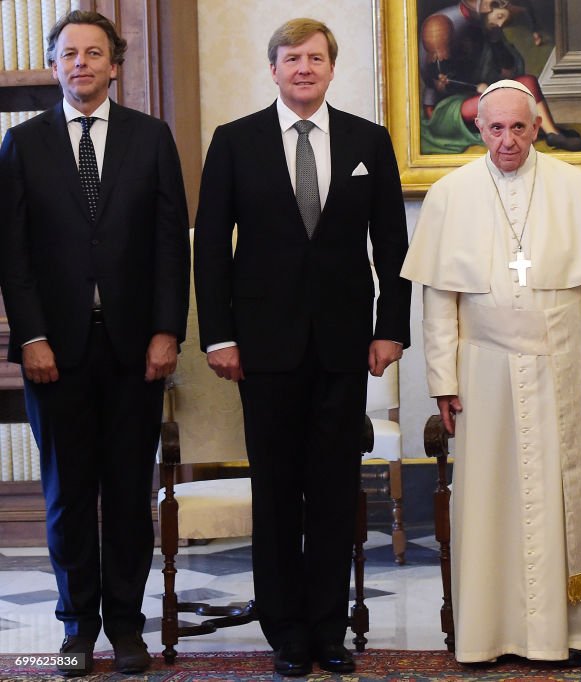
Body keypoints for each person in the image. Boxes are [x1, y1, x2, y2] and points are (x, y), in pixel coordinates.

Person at [402, 79, 581, 667]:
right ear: (478, 129)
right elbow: (440, 301)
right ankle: (495, 631)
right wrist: (442, 380)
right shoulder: (449, 195)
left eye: (519, 127)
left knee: (575, 493)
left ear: (537, 126)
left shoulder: (579, 187)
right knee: (493, 501)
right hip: (485, 375)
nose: (508, 140)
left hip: (566, 368)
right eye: (496, 128)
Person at [193, 18, 410, 677]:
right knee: (279, 494)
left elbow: (395, 247)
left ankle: (328, 628)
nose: (304, 69)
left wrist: (390, 328)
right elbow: (212, 250)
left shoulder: (370, 141)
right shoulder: (235, 143)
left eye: (316, 58)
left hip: (346, 348)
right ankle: (284, 631)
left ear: (332, 68)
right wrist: (220, 335)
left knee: (336, 490)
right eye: (292, 59)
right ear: (274, 69)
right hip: (263, 350)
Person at [0, 10, 189, 676]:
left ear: (117, 63)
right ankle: (77, 627)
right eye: (68, 53)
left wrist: (168, 331)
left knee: (129, 494)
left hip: (137, 350)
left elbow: (171, 246)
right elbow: (12, 258)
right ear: (54, 65)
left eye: (94, 53)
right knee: (67, 497)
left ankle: (127, 627)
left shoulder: (152, 138)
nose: (80, 63)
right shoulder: (22, 146)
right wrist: (32, 337)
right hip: (57, 353)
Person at [419, 0, 581, 153]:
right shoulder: (441, 25)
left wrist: (496, 43)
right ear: (485, 8)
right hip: (446, 109)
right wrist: (474, 87)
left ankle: (552, 133)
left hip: (479, 97)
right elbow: (439, 80)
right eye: (499, 16)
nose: (500, 24)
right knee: (497, 95)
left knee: (527, 82)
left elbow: (509, 72)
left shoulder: (488, 28)